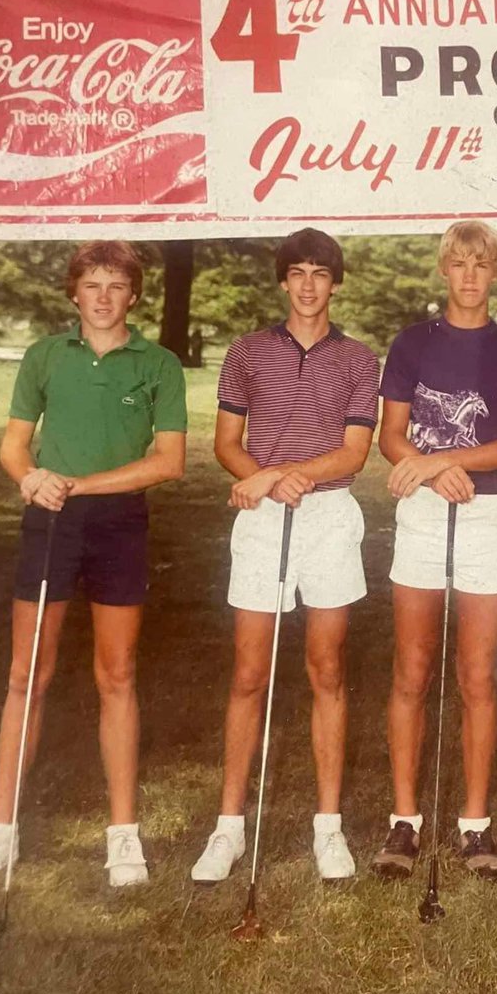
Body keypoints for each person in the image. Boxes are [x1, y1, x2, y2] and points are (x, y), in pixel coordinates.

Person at [0, 240, 187, 889]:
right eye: (92, 284)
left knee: (117, 674)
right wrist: (30, 480)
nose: (104, 296)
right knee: (26, 673)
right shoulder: (44, 357)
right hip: (49, 518)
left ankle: (123, 838)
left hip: (118, 522)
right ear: (74, 293)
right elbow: (12, 446)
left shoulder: (159, 364)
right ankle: (0, 833)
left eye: (117, 285)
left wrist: (80, 485)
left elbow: (168, 461)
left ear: (133, 295)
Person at [191, 227, 379, 883]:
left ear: (335, 283)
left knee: (326, 669)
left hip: (329, 515)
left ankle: (327, 828)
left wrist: (283, 473)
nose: (307, 285)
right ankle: (228, 828)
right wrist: (268, 480)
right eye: (296, 272)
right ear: (282, 281)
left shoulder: (359, 360)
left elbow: (354, 452)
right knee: (249, 674)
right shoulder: (244, 352)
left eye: (319, 274)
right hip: (263, 517)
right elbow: (225, 443)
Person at [372, 220, 497, 882]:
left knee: (476, 675)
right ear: (443, 269)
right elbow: (390, 434)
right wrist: (427, 468)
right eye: (458, 264)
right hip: (419, 510)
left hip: (485, 513)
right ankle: (404, 820)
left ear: (494, 272)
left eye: (481, 264)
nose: (469, 275)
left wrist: (442, 460)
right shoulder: (412, 342)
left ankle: (474, 826)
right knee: (411, 670)